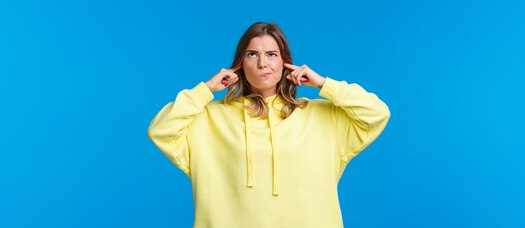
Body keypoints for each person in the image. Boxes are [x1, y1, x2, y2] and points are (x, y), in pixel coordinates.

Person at [147, 22, 390, 228]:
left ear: (285, 62)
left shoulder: (321, 116)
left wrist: (325, 85)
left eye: (272, 54)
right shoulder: (209, 119)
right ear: (240, 63)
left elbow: (376, 113)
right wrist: (205, 89)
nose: (263, 63)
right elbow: (161, 129)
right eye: (252, 54)